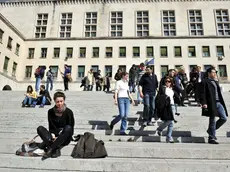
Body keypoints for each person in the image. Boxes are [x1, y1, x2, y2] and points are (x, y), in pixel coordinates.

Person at [37, 92, 75, 160]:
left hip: (65, 136)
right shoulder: (50, 112)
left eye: (61, 101)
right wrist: (53, 135)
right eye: (57, 101)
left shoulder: (69, 112)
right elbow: (51, 127)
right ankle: (55, 148)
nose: (59, 103)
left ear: (64, 101)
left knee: (68, 128)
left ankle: (51, 149)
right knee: (40, 128)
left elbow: (71, 129)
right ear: (54, 101)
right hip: (53, 136)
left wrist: (59, 136)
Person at [200, 67, 228, 144]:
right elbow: (202, 93)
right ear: (209, 73)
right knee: (212, 120)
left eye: (215, 72)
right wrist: (204, 103)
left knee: (224, 118)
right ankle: (211, 138)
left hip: (219, 102)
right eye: (213, 72)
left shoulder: (215, 82)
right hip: (211, 103)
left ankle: (210, 130)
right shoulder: (205, 81)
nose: (215, 73)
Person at [156, 77, 179, 143]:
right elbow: (159, 97)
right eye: (166, 81)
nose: (167, 82)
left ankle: (168, 137)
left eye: (169, 81)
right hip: (166, 106)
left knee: (171, 123)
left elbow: (175, 97)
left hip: (172, 105)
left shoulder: (172, 89)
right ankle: (160, 129)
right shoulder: (163, 88)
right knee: (170, 121)